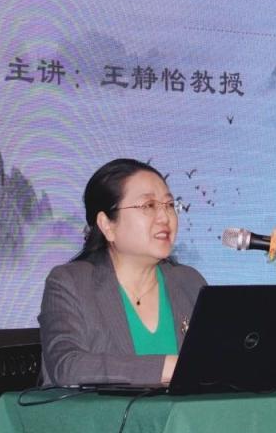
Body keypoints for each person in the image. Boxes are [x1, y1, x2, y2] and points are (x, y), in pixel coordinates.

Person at [38, 158, 206, 387]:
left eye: (169, 205)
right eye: (148, 206)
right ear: (107, 225)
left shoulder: (189, 281)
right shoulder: (71, 283)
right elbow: (68, 367)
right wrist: (167, 368)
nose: (165, 217)